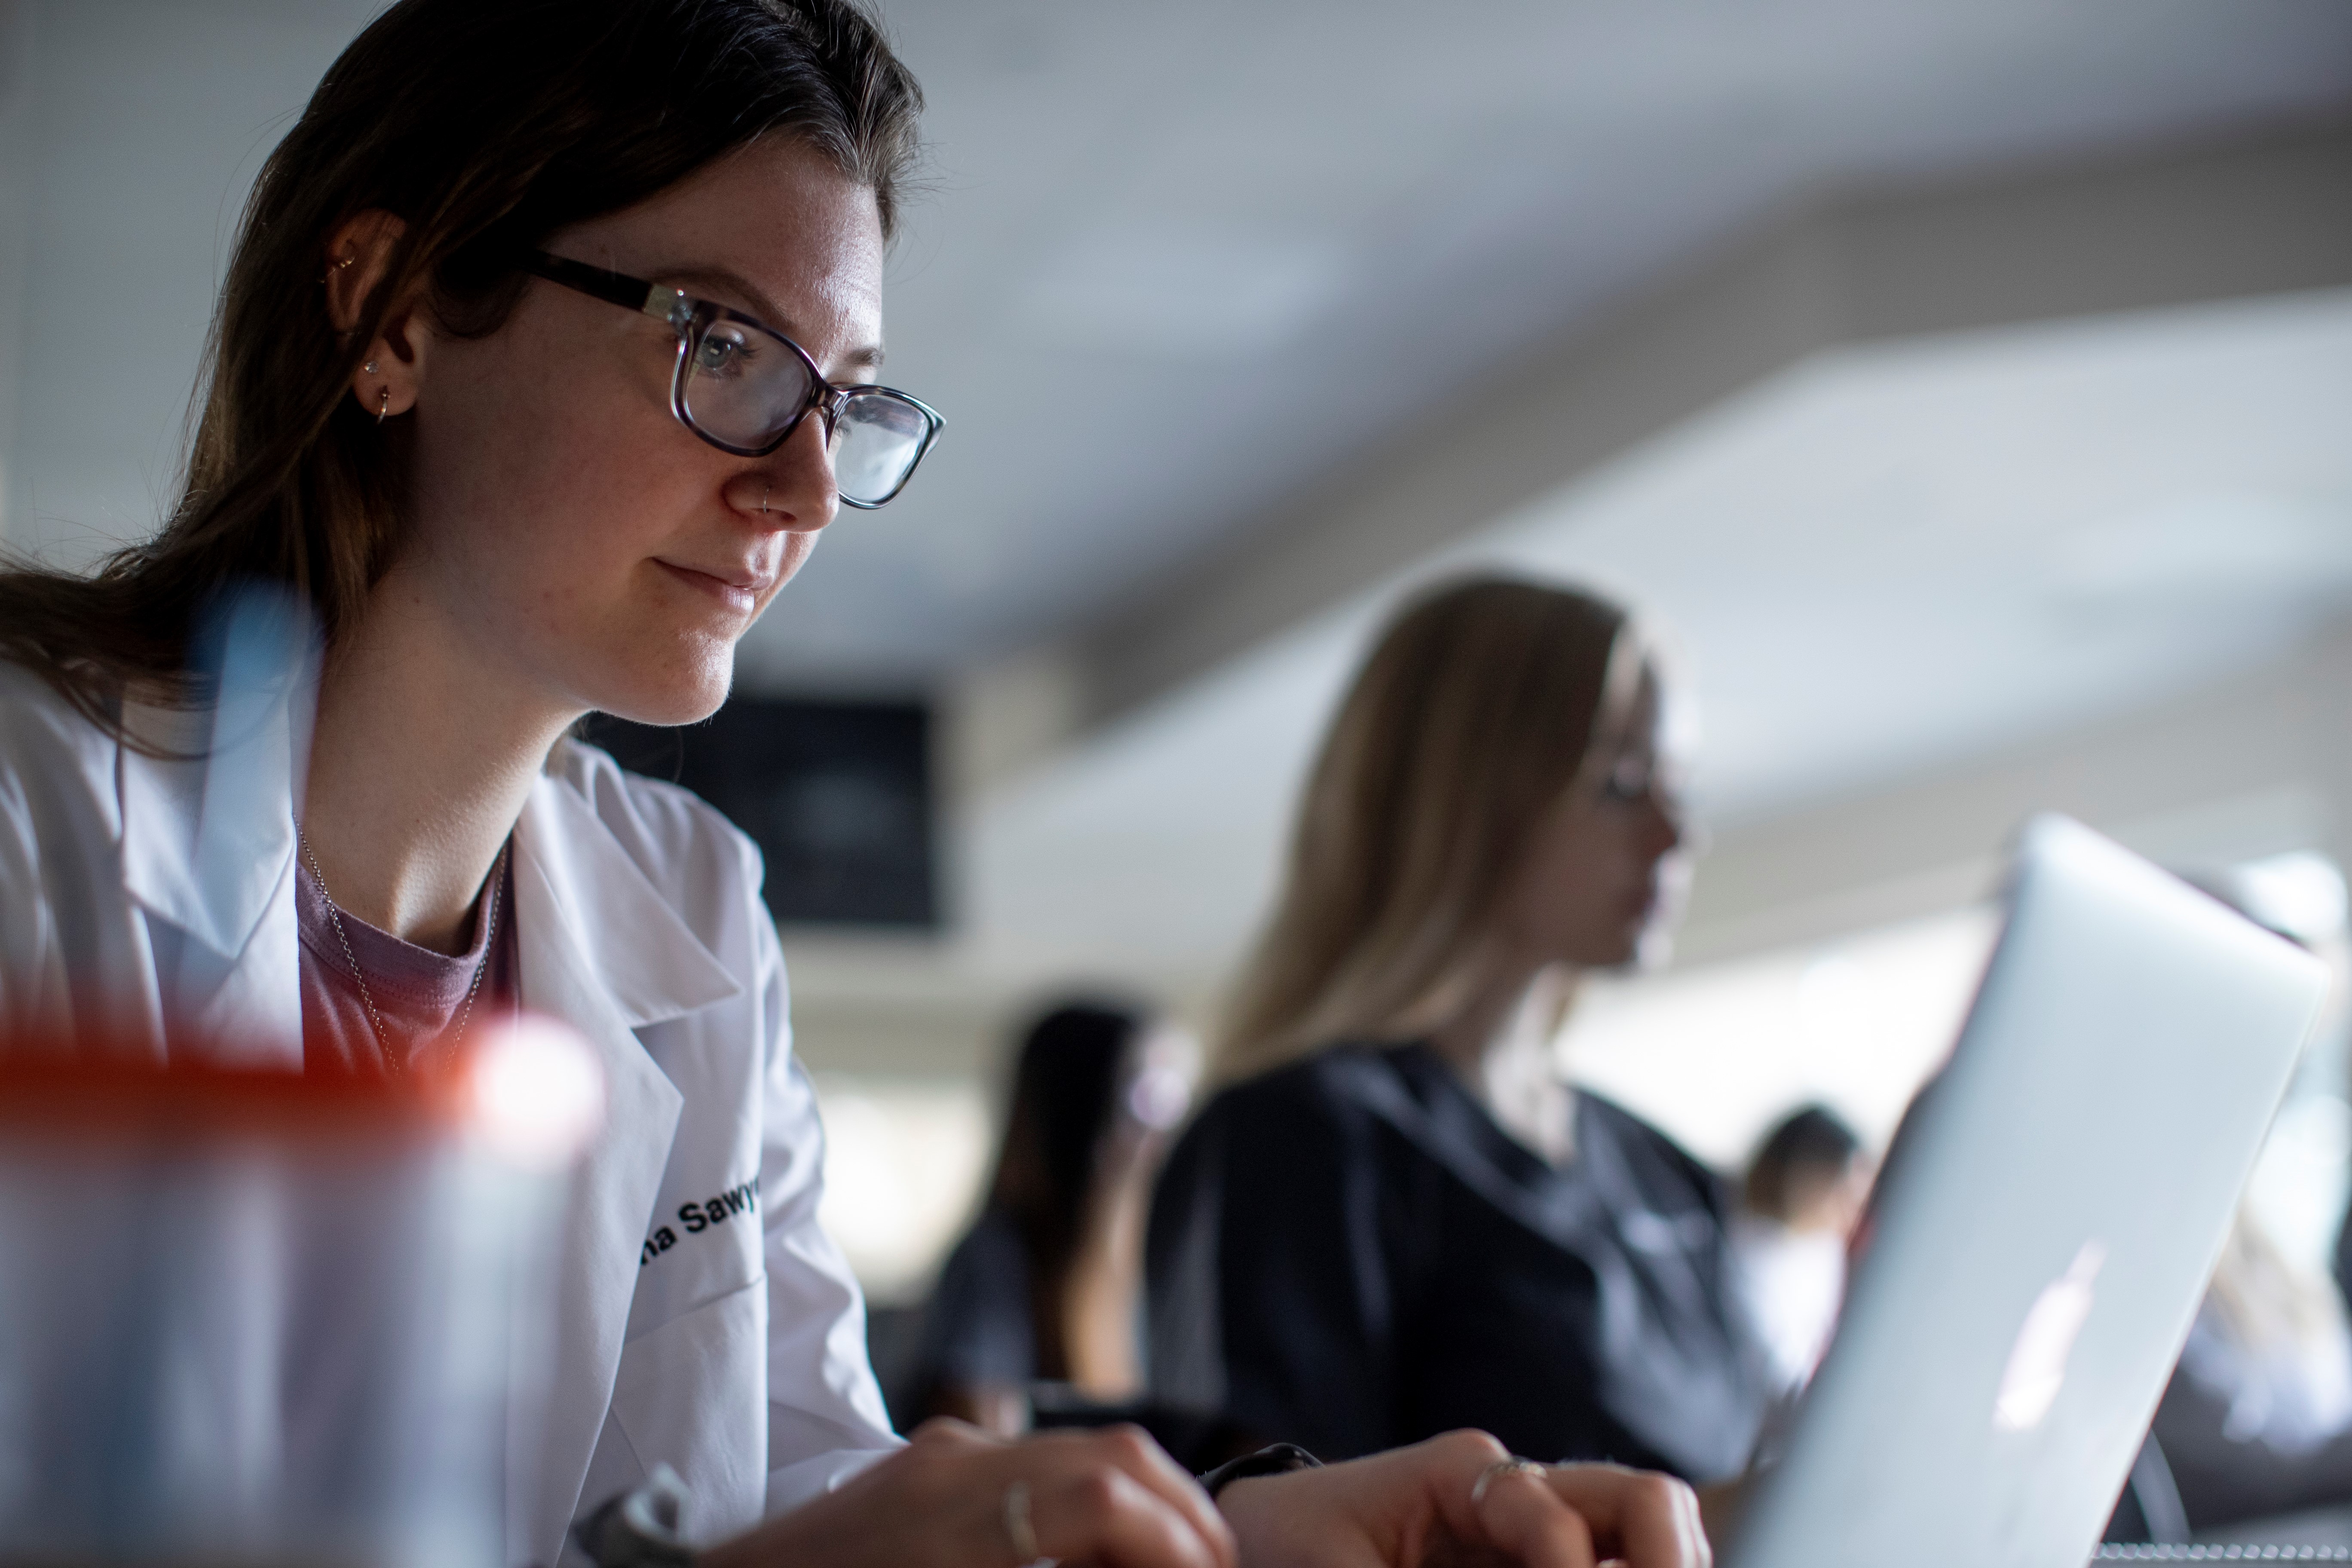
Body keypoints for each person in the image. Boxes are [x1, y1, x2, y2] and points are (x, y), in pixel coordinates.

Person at [0, 5, 1708, 1568]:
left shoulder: (692, 908)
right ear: (391, 311)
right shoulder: (33, 818)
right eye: (724, 347)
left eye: (847, 401)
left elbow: (802, 1496)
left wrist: (1238, 1538)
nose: (808, 486)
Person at [1148, 576, 1772, 1483]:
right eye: (1620, 783)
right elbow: (1283, 1527)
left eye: (1679, 786)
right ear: (1464, 799)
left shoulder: (1661, 1169)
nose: (1676, 835)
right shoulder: (1303, 1140)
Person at [910, 999, 1194, 1436]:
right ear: (1083, 1108)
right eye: (1149, 1096)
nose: (1165, 1126)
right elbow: (972, 1433)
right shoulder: (995, 1258)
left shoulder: (1157, 1270)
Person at [1728, 1105, 1874, 1393]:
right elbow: (1781, 1375)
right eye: (1841, 1190)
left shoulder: (1825, 1249)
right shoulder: (1750, 1254)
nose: (1851, 1209)